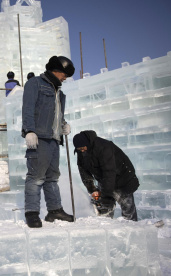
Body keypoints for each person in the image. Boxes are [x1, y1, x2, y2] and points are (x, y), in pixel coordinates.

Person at [21, 56, 75, 228]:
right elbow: (28, 108)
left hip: (54, 139)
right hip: (39, 137)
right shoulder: (35, 83)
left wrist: (63, 125)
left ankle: (55, 210)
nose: (65, 78)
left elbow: (56, 114)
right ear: (56, 71)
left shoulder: (60, 93)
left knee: (52, 178)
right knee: (36, 177)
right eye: (64, 74)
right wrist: (29, 130)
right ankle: (32, 213)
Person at [73, 130, 139, 221]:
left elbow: (109, 172)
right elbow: (83, 171)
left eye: (83, 148)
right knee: (105, 210)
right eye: (79, 149)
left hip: (122, 178)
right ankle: (107, 227)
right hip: (105, 179)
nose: (82, 150)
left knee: (127, 208)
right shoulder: (81, 151)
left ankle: (133, 227)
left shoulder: (104, 147)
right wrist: (92, 189)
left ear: (88, 144)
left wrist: (106, 197)